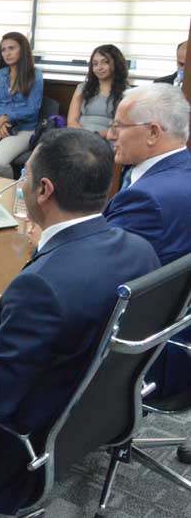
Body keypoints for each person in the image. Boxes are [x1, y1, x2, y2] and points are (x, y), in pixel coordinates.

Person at [0, 129, 160, 515]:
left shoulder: (41, 287)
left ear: (44, 190)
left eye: (25, 175)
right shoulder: (139, 250)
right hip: (82, 423)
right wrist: (15, 307)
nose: (22, 184)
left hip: (10, 449)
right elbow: (84, 305)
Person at [104, 84, 191, 402]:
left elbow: (99, 275)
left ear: (153, 132)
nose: (111, 135)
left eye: (119, 126)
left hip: (142, 351)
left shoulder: (147, 199)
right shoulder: (182, 171)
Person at [0, 32, 44, 178]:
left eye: (12, 48)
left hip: (23, 129)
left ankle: (10, 191)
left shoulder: (35, 75)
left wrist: (5, 118)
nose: (7, 53)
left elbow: (32, 109)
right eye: (3, 50)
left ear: (22, 50)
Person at [67, 44, 129, 134]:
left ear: (116, 63)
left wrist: (96, 136)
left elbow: (121, 129)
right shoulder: (82, 88)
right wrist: (84, 136)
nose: (99, 68)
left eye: (105, 62)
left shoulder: (127, 93)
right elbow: (72, 122)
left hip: (107, 138)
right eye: (95, 64)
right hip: (79, 136)